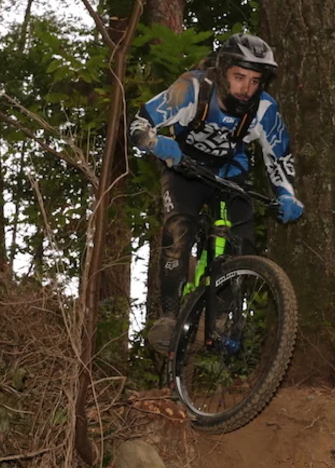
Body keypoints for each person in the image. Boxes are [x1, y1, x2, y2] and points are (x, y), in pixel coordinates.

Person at [130, 33, 304, 354]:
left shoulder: (264, 108)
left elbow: (278, 155)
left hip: (229, 173)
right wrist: (155, 142)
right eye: (239, 77)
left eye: (255, 81)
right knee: (179, 230)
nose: (247, 88)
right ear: (223, 71)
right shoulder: (192, 89)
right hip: (184, 169)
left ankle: (221, 317)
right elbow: (140, 123)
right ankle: (168, 315)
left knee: (242, 241)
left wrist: (286, 194)